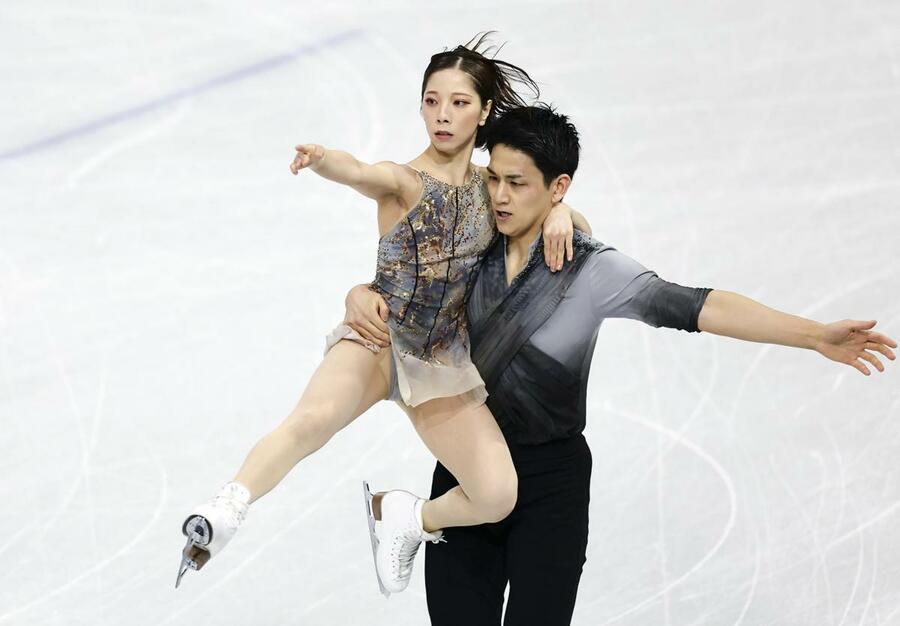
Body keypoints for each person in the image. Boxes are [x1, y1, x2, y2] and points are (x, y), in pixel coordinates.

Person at [342, 104, 897, 624]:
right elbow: (407, 285)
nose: (500, 197)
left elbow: (698, 306)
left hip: (551, 486)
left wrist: (813, 335)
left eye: (518, 183)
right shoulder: (470, 245)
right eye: (493, 179)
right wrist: (360, 293)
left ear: (558, 187)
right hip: (469, 473)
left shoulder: (589, 270)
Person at [175, 35, 592, 595]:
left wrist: (562, 211)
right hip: (378, 338)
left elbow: (556, 213)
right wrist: (323, 160)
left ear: (484, 111)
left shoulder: (491, 188)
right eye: (431, 101)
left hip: (441, 360)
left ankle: (402, 515)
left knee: (497, 494)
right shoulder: (403, 180)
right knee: (311, 421)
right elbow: (359, 171)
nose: (442, 115)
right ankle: (228, 506)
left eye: (459, 103)